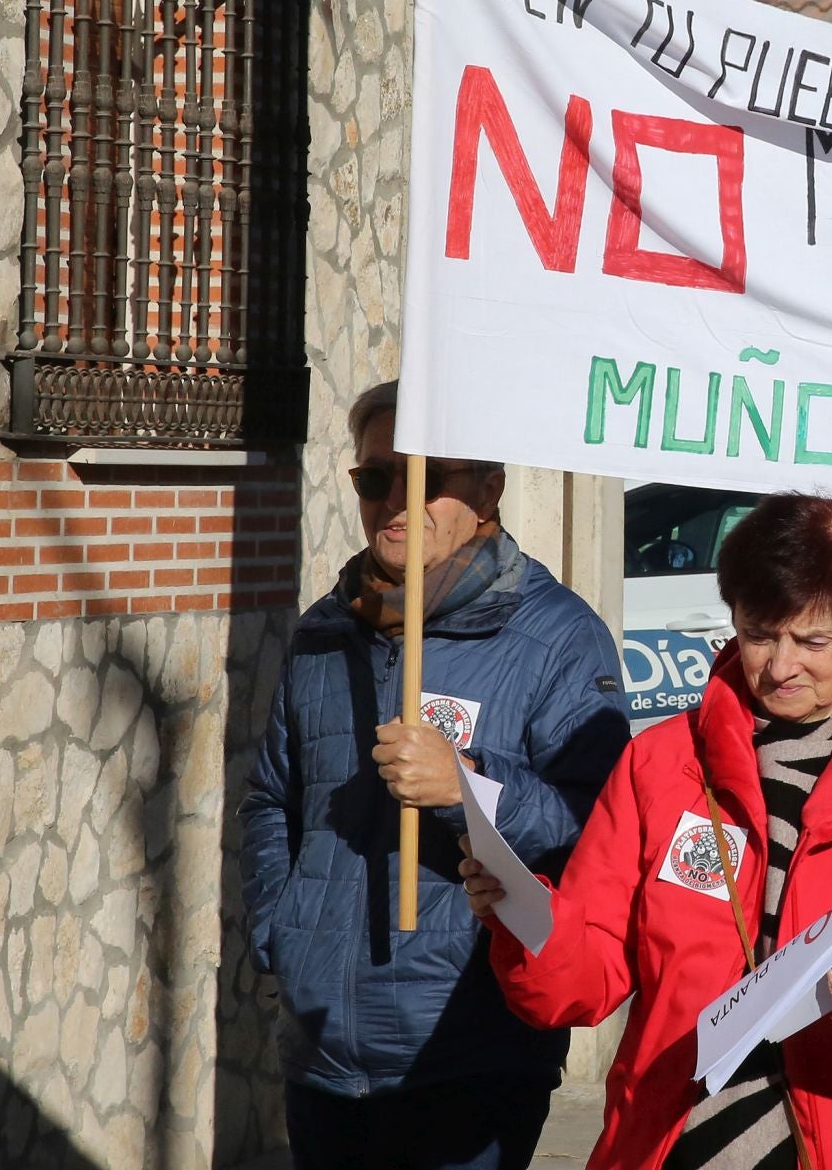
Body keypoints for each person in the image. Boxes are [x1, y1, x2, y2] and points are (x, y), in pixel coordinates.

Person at [460, 494, 832, 1170]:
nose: (782, 666)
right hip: (681, 1143)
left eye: (814, 641)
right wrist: (528, 921)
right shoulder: (661, 763)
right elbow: (586, 979)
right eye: (759, 633)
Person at [240, 380, 630, 1170]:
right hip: (322, 1052)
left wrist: (468, 789)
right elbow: (270, 799)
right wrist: (282, 930)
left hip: (468, 1053)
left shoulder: (559, 639)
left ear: (488, 491)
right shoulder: (325, 631)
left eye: (425, 480)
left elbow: (598, 823)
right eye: (375, 477)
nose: (395, 501)